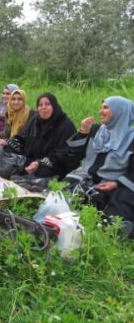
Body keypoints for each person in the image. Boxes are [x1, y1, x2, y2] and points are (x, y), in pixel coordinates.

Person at [65, 96, 134, 238]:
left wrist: (116, 183)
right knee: (66, 190)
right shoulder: (96, 130)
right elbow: (73, 157)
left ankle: (118, 227)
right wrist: (82, 132)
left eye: (106, 107)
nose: (100, 111)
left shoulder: (131, 138)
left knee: (121, 199)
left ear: (120, 111)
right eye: (101, 107)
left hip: (112, 183)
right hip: (86, 177)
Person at [4, 92, 76, 180]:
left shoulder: (65, 125)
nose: (43, 107)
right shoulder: (35, 120)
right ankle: (24, 175)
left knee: (42, 171)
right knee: (6, 149)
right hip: (32, 160)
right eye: (40, 105)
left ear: (54, 106)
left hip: (52, 164)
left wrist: (40, 162)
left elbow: (64, 154)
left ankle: (27, 177)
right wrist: (5, 142)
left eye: (47, 104)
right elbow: (22, 139)